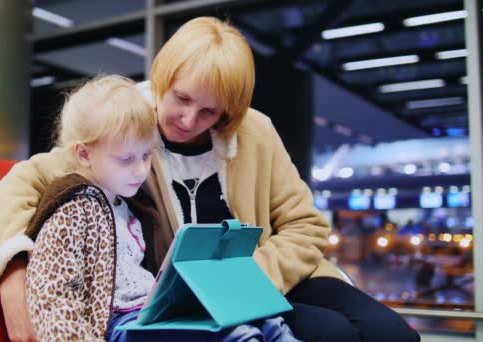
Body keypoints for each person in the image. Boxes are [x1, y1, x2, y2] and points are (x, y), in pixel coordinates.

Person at [0, 17, 419, 342]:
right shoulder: (125, 128)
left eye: (210, 111)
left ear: (230, 112)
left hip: (271, 280)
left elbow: (306, 226)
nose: (189, 120)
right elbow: (20, 183)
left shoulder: (255, 132)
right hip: (195, 303)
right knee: (331, 334)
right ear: (163, 79)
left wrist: (252, 276)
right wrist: (14, 274)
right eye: (181, 98)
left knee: (394, 334)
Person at [20, 75, 300, 341]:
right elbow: (52, 293)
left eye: (145, 155)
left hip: (151, 313)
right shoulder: (72, 207)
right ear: (84, 154)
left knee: (267, 320)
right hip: (118, 323)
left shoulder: (127, 205)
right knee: (235, 334)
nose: (141, 170)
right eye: (126, 158)